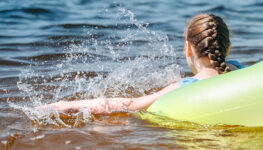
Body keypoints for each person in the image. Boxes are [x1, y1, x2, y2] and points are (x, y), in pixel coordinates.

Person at [39, 14, 244, 114]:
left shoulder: (183, 88)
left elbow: (127, 105)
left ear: (188, 49)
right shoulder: (239, 70)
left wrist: (63, 105)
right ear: (227, 49)